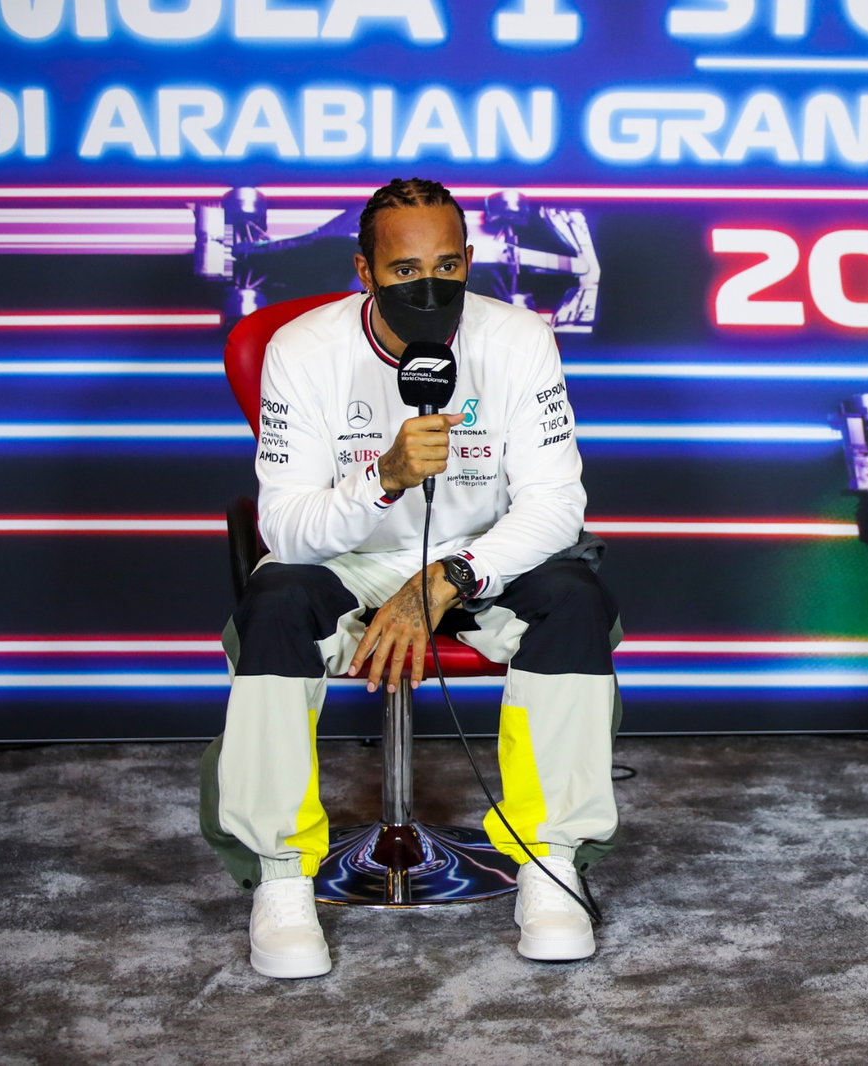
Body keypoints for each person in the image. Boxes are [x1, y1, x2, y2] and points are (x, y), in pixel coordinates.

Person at [200, 178, 620, 978]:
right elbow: (285, 525)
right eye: (404, 272)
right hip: (347, 563)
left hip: (479, 556)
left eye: (450, 266)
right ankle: (281, 878)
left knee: (574, 598)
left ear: (469, 263)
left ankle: (552, 858)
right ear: (365, 271)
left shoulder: (518, 339)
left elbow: (556, 504)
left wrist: (447, 577)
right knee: (276, 602)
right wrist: (384, 480)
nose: (431, 287)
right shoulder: (303, 349)